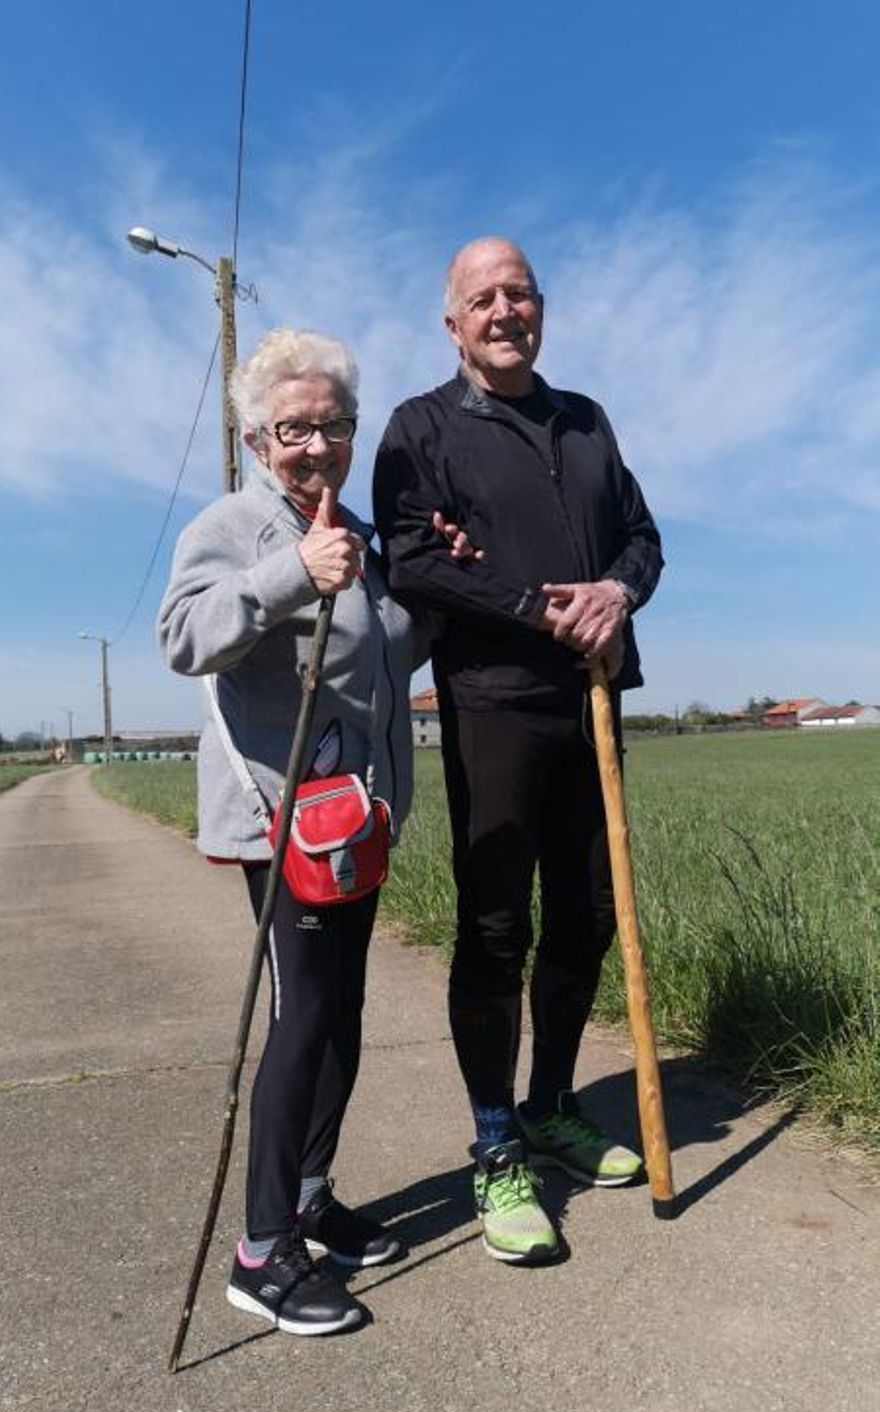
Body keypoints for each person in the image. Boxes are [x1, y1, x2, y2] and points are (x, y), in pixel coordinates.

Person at [159, 327, 474, 1336]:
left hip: (359, 820)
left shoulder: (367, 538)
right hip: (282, 815)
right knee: (303, 1017)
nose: (313, 445)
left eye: (331, 426)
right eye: (291, 429)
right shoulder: (232, 528)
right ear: (258, 440)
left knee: (340, 1013)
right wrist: (291, 572)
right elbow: (183, 637)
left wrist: (432, 594)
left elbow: (383, 656)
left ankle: (308, 1194)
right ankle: (259, 1252)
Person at [373, 236, 664, 1264]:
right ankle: (495, 1142)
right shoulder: (419, 430)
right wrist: (540, 610)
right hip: (493, 704)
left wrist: (613, 593)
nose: (505, 311)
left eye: (520, 294)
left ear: (541, 309)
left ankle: (550, 1108)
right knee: (496, 922)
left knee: (585, 913)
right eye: (482, 298)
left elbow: (642, 538)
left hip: (592, 702)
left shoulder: (584, 420)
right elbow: (407, 559)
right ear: (452, 322)